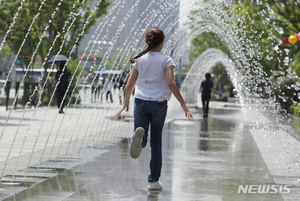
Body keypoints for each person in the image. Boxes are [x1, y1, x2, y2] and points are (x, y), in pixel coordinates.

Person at [116, 27, 193, 191]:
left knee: (141, 131)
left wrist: (125, 103)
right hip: (159, 103)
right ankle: (153, 181)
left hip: (140, 102)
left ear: (146, 42)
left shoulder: (140, 59)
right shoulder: (167, 60)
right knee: (156, 141)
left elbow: (130, 84)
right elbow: (171, 83)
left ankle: (139, 138)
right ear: (163, 42)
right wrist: (183, 105)